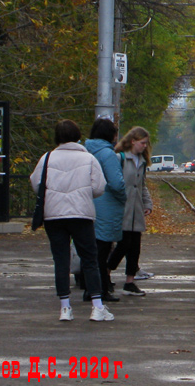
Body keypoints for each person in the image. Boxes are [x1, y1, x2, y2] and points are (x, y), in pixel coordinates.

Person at [30, 119, 114, 322]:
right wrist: (83, 194)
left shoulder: (47, 158)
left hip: (54, 215)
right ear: (78, 136)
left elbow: (36, 183)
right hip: (81, 214)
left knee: (60, 260)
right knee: (89, 259)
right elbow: (99, 187)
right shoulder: (88, 159)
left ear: (57, 137)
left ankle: (65, 308)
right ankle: (97, 307)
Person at [107, 126, 153, 296]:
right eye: (142, 143)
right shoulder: (120, 158)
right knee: (123, 244)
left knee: (135, 247)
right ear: (133, 141)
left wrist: (147, 203)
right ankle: (107, 271)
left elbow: (142, 186)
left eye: (146, 143)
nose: (144, 146)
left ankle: (130, 281)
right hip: (123, 209)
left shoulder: (141, 161)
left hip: (136, 210)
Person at [84, 118, 125, 303]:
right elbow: (116, 183)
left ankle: (90, 287)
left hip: (87, 205)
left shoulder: (86, 150)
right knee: (103, 250)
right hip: (107, 207)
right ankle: (100, 289)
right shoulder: (107, 155)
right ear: (111, 135)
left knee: (92, 250)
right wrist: (125, 198)